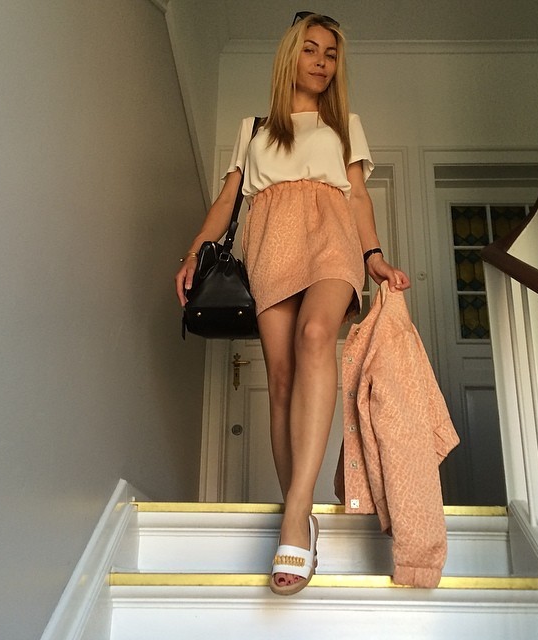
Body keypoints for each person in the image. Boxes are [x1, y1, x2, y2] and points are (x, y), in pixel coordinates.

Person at [175, 12, 411, 596]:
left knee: (315, 337)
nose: (322, 61)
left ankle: (295, 513)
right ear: (290, 56)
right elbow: (227, 201)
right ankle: (298, 511)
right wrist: (195, 252)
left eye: (331, 53)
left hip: (332, 237)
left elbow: (358, 197)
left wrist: (374, 256)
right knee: (280, 378)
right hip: (271, 243)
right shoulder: (253, 128)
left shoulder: (345, 125)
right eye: (311, 49)